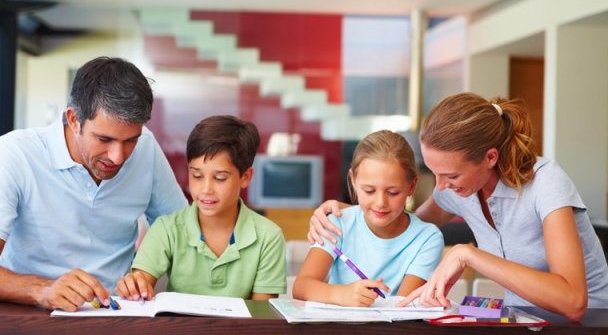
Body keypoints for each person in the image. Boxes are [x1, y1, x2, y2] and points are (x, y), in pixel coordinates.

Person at [307, 92, 608, 320]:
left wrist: (469, 255)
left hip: (591, 322)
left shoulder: (546, 183)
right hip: (523, 321)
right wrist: (342, 211)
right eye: (434, 172)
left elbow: (573, 301)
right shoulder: (454, 188)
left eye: (450, 175)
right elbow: (399, 221)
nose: (439, 187)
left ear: (490, 158)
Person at [0, 57, 187, 311]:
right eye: (104, 139)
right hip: (30, 313)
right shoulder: (16, 153)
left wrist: (144, 273)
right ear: (73, 120)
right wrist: (43, 290)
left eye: (130, 140)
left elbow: (182, 233)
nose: (118, 156)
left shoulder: (146, 148)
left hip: (116, 314)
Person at [115, 115, 286, 301]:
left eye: (220, 178)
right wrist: (134, 286)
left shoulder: (269, 237)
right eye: (196, 175)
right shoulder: (167, 229)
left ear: (245, 177)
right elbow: (141, 282)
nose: (205, 190)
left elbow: (261, 317)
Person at [292, 130, 444, 307]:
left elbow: (402, 307)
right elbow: (301, 287)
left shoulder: (427, 238)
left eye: (393, 192)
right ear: (353, 181)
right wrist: (340, 294)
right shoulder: (336, 223)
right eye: (369, 191)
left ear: (412, 186)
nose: (380, 203)